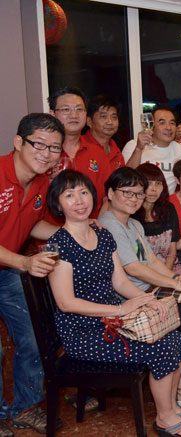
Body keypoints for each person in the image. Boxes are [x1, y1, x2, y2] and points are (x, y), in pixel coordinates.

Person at [46, 170, 181, 436]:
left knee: (174, 337)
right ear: (58, 204)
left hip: (113, 322)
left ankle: (172, 407)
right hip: (85, 334)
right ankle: (165, 418)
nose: (79, 200)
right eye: (69, 195)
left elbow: (120, 283)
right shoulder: (59, 244)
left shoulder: (104, 236)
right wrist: (120, 309)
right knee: (162, 347)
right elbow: (65, 303)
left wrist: (144, 300)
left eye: (83, 192)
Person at [98, 167, 181, 416]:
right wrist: (174, 284)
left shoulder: (133, 223)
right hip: (127, 299)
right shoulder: (109, 224)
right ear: (110, 193)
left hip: (147, 289)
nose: (134, 198)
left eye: (138, 194)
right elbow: (134, 269)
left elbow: (150, 259)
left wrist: (175, 276)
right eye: (127, 192)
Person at [0, 113, 63, 434]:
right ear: (18, 142)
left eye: (55, 147)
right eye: (39, 144)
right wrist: (24, 263)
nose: (47, 153)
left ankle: (25, 407)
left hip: (5, 267)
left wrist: (66, 233)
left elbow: (31, 223)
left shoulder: (40, 182)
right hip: (13, 263)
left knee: (35, 337)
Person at [48, 87, 113, 218]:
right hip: (51, 233)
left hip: (91, 232)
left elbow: (108, 197)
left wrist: (97, 230)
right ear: (52, 114)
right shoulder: (43, 153)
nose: (74, 115)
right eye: (66, 109)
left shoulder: (97, 152)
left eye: (79, 109)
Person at [122, 105, 181, 194]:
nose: (168, 127)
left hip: (165, 204)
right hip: (137, 202)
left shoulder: (179, 150)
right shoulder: (133, 145)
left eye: (172, 123)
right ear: (151, 125)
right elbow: (125, 179)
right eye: (162, 122)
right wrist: (139, 149)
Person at [132, 164, 180, 270]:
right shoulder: (131, 215)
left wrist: (167, 276)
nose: (154, 189)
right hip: (142, 273)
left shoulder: (169, 209)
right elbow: (139, 256)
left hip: (168, 268)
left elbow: (172, 250)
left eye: (158, 183)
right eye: (148, 184)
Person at [83, 94, 125, 170]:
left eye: (114, 117)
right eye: (103, 117)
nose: (110, 122)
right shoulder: (80, 147)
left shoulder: (116, 152)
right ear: (89, 121)